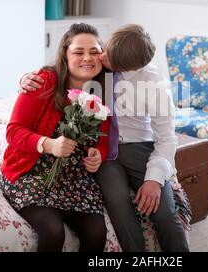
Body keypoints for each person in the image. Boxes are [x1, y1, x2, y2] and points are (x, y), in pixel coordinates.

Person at [21, 24, 190, 252]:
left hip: (140, 147)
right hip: (104, 151)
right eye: (105, 49)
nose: (101, 57)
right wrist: (25, 78)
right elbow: (63, 70)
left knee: (165, 213)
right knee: (118, 204)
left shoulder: (153, 83)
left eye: (108, 58)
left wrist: (154, 180)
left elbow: (167, 138)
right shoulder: (98, 64)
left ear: (127, 66)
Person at [1, 23, 110, 252]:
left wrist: (98, 154)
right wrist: (49, 144)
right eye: (78, 52)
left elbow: (103, 138)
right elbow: (13, 131)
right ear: (65, 55)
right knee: (52, 231)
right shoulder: (45, 81)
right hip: (31, 173)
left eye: (94, 51)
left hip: (74, 179)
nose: (87, 58)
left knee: (97, 233)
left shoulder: (102, 88)